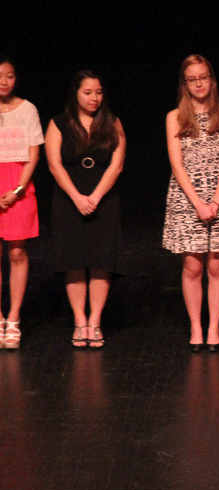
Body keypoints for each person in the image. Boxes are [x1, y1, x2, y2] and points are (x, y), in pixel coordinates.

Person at [164, 55, 219, 352]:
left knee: (217, 264)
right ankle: (196, 327)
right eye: (192, 79)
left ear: (211, 80)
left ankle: (213, 328)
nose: (199, 83)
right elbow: (177, 166)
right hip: (187, 198)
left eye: (203, 77)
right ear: (185, 84)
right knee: (192, 266)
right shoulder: (175, 117)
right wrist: (198, 203)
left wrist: (214, 201)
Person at [46, 70, 126, 348]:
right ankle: (80, 322)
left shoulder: (112, 122)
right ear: (76, 94)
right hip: (69, 199)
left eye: (99, 92)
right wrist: (78, 197)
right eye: (88, 92)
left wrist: (95, 195)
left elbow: (117, 164)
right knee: (74, 261)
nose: (94, 98)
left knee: (101, 262)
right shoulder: (59, 123)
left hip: (103, 198)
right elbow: (54, 164)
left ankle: (95, 322)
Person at [0, 55, 43, 350]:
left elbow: (34, 154)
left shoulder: (28, 110)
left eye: (10, 75)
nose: (4, 81)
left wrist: (16, 190)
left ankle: (13, 318)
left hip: (18, 185)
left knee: (17, 253)